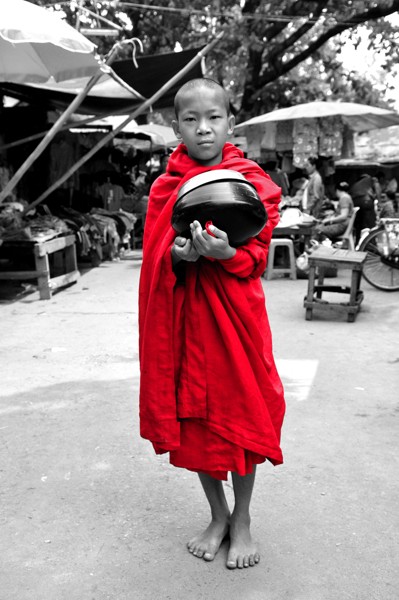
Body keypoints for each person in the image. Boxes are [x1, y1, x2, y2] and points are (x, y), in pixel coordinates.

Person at [138, 78, 285, 570]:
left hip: (235, 322)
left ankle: (242, 520)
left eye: (214, 118)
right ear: (174, 125)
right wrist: (178, 258)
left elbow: (257, 256)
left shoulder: (252, 181)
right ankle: (217, 515)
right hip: (185, 324)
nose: (204, 129)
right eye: (191, 119)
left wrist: (227, 255)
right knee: (195, 424)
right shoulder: (165, 188)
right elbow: (157, 260)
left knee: (243, 422)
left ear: (230, 122)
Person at [349, 173, 378, 241]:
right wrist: (379, 201)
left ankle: (359, 243)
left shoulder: (356, 184)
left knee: (359, 224)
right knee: (370, 225)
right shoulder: (372, 179)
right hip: (366, 201)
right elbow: (377, 187)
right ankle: (371, 244)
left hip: (355, 202)